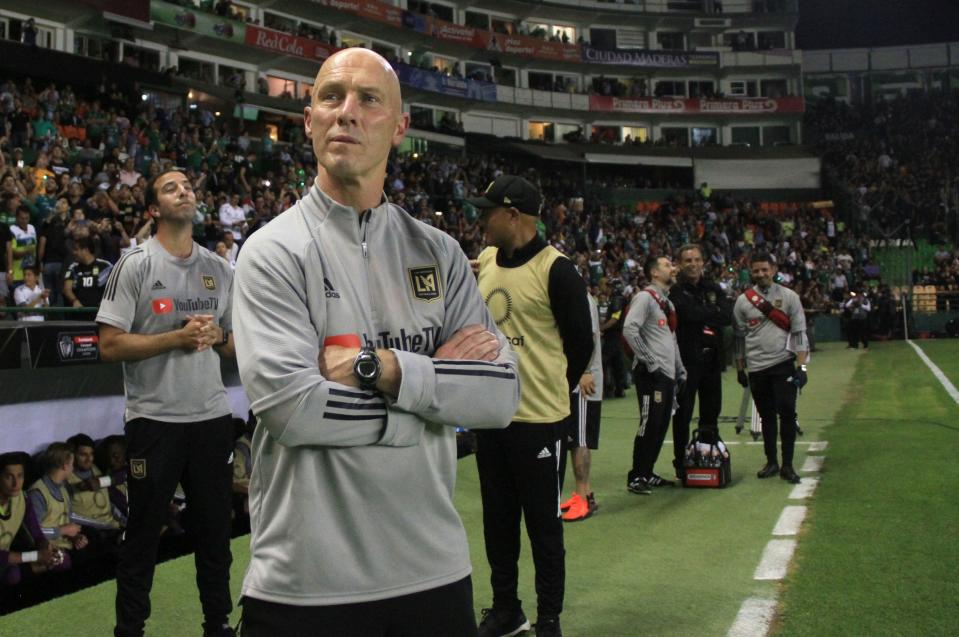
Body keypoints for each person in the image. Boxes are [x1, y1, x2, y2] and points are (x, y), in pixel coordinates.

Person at [232, 48, 520, 637]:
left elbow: (498, 397)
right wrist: (435, 400)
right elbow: (295, 410)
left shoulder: (438, 252)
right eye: (331, 97)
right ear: (309, 119)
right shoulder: (271, 252)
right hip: (305, 587)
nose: (347, 112)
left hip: (434, 576)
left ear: (399, 127)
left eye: (368, 99)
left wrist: (382, 368)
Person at [96, 169, 237, 637]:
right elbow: (110, 345)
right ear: (154, 209)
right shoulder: (134, 265)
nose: (185, 190)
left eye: (188, 186)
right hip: (154, 421)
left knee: (215, 535)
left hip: (211, 419)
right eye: (171, 187)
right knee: (142, 537)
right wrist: (175, 338)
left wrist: (219, 337)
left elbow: (237, 345)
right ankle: (129, 630)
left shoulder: (220, 269)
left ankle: (217, 625)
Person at [471, 174, 593, 637]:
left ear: (513, 215)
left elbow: (580, 344)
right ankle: (507, 609)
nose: (480, 219)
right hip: (492, 416)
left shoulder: (556, 270)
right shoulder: (485, 260)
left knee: (544, 527)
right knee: (498, 522)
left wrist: (548, 385)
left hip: (540, 419)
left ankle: (548, 619)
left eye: (488, 211)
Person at [733, 252, 809, 485]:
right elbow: (738, 337)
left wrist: (802, 367)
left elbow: (799, 333)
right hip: (757, 368)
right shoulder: (742, 301)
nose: (761, 274)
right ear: (751, 272)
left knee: (787, 413)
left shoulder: (789, 297)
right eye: (756, 270)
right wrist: (739, 368)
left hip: (783, 364)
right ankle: (772, 462)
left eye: (765, 269)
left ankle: (787, 465)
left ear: (774, 269)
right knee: (766, 417)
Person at [623, 256, 686, 494]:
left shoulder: (667, 303)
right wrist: (650, 362)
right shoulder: (644, 297)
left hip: (666, 374)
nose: (674, 268)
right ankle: (636, 476)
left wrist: (680, 369)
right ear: (655, 273)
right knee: (649, 423)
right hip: (652, 374)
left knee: (660, 425)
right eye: (668, 265)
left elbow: (671, 339)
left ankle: (647, 472)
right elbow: (629, 329)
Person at [669, 244, 732, 480]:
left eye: (696, 260)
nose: (693, 264)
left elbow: (726, 316)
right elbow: (687, 314)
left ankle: (707, 456)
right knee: (683, 414)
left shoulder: (713, 288)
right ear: (679, 264)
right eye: (687, 260)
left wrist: (701, 312)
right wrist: (709, 311)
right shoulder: (676, 291)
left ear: (703, 262)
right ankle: (681, 462)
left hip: (712, 360)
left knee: (711, 410)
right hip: (687, 361)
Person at [559, 285, 603, 522]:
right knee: (575, 438)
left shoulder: (579, 296)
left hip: (584, 379)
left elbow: (588, 335)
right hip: (574, 377)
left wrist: (585, 370)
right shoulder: (575, 294)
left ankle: (584, 500)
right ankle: (582, 494)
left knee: (580, 439)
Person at [0, 452, 60, 592]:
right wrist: (36, 556)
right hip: (4, 560)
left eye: (20, 476)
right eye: (9, 476)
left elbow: (36, 532)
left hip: (8, 558)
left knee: (59, 560)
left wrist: (46, 547)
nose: (16, 483)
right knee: (13, 575)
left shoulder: (22, 498)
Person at [63, 236, 112, 309]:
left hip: (100, 314)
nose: (74, 252)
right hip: (79, 314)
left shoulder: (106, 267)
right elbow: (67, 289)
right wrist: (74, 301)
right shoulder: (73, 268)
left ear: (85, 250)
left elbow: (115, 288)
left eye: (76, 249)